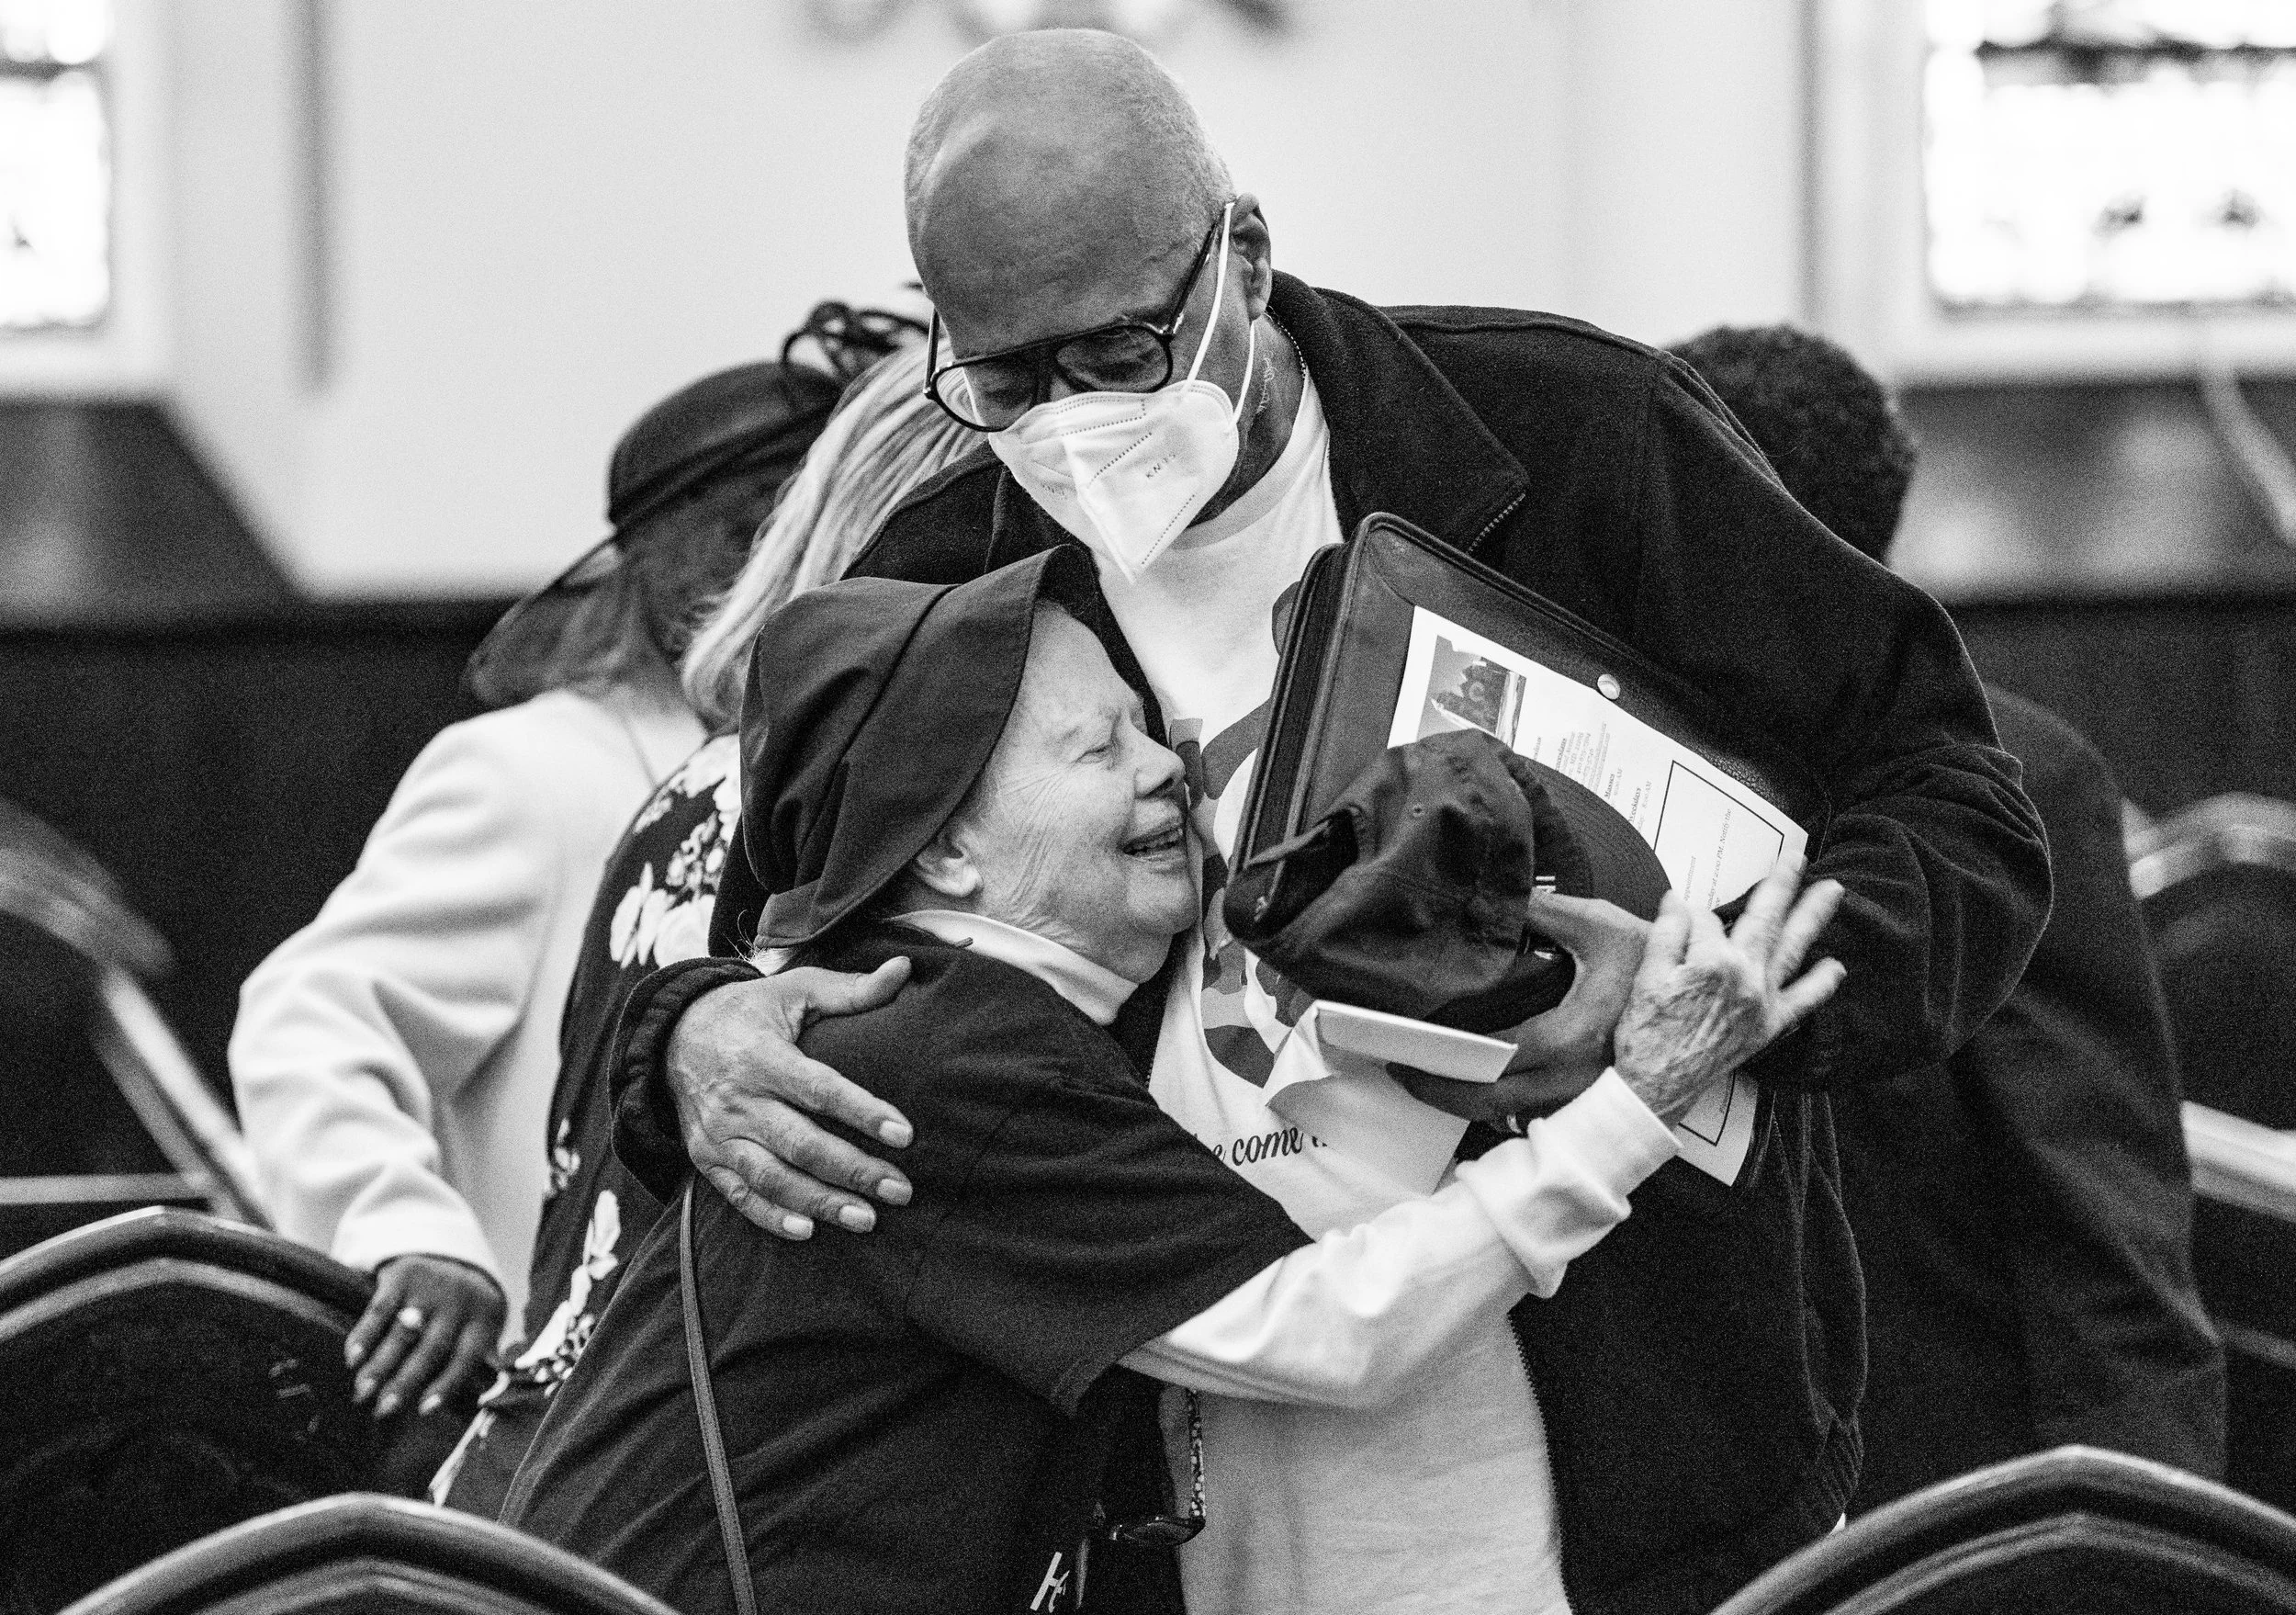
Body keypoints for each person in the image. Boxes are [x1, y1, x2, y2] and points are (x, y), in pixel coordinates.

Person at [612, 32, 2053, 1611]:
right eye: (1005, 377)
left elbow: (1953, 801)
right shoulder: (949, 558)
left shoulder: (1570, 436)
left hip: (1611, 1402)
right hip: (1158, 1430)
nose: (1066, 420)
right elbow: (775, 918)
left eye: (1118, 356)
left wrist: (1726, 994)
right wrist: (687, 1035)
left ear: (1241, 251)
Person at [504, 548, 1844, 1614]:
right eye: (1096, 749)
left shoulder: (937, 1016)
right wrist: (1637, 1103)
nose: (1165, 770)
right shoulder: (952, 1055)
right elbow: (1330, 1331)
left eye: (1149, 729)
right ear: (949, 852)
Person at [228, 352, 844, 1424]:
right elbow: (308, 1015)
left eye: (813, 530)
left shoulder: (835, 776)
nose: (783, 572)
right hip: (578, 1422)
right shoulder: (532, 774)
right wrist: (401, 1228)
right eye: (747, 532)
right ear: (647, 563)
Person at [1671, 322, 2228, 1505]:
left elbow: (2095, 1222)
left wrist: (2125, 1549)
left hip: (1935, 1505)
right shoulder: (1592, 749)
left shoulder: (2001, 780)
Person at [429, 332, 979, 1514]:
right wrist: (410, 1235)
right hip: (654, 1479)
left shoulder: (710, 771)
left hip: (573, 1454)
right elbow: (307, 1017)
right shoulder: (829, 789)